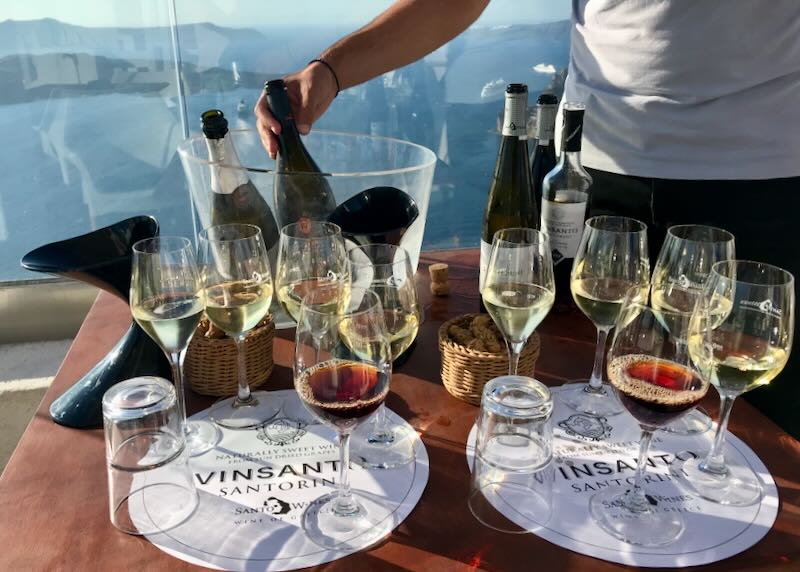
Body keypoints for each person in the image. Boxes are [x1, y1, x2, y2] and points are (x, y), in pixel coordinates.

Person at [255, 0, 800, 438]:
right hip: (596, 174)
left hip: (759, 176)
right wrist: (327, 73)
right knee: (596, 401)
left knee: (749, 414)